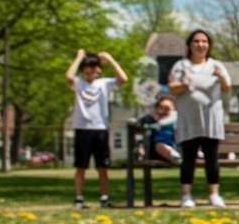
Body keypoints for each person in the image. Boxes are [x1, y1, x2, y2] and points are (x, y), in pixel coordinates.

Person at [167, 29, 231, 208]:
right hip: (189, 121)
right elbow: (172, 88)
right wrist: (186, 83)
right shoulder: (181, 66)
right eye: (196, 41)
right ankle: (186, 196)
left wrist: (220, 77)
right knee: (188, 158)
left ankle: (213, 195)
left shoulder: (216, 66)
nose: (201, 45)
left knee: (212, 159)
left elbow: (227, 88)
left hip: (211, 120)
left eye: (204, 41)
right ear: (190, 45)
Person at [65, 49, 128, 209]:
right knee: (81, 166)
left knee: (102, 166)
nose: (91, 70)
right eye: (87, 67)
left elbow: (123, 78)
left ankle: (104, 198)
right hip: (82, 128)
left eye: (94, 67)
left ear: (99, 69)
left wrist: (109, 59)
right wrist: (79, 57)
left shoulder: (104, 83)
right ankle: (79, 199)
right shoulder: (79, 83)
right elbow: (69, 76)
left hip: (100, 128)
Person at [135, 95, 180, 164]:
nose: (163, 111)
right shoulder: (148, 120)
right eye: (161, 107)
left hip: (177, 148)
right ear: (156, 108)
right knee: (160, 146)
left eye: (167, 108)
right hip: (154, 151)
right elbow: (138, 133)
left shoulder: (177, 120)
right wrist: (140, 147)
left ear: (173, 108)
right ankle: (178, 159)